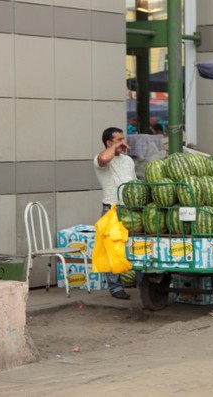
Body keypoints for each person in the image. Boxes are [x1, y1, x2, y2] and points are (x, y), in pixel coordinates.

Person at [93, 127, 137, 300]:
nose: (123, 142)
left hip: (129, 209)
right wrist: (114, 148)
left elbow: (133, 182)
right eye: (119, 140)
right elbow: (103, 158)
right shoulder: (100, 159)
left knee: (133, 245)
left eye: (123, 139)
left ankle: (137, 282)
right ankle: (115, 287)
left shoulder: (128, 161)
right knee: (113, 247)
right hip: (112, 208)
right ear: (109, 143)